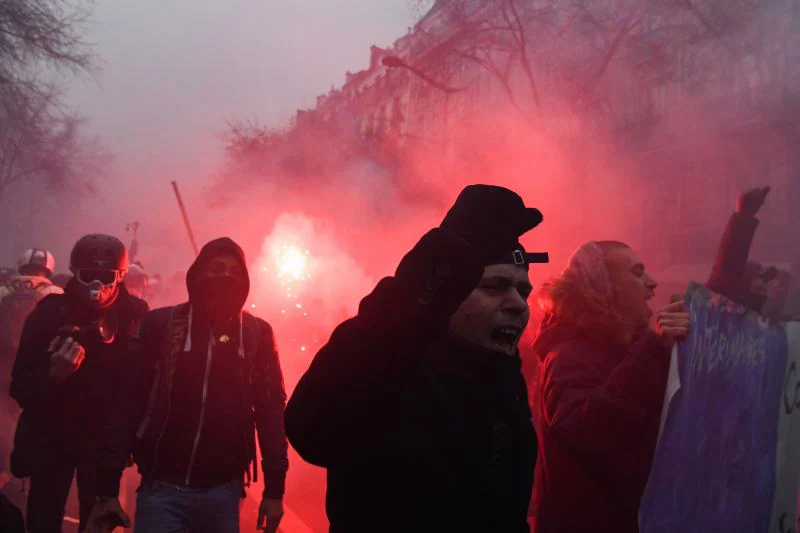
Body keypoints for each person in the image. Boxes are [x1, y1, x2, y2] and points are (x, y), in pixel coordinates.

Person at [285, 184, 548, 532]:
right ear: (448, 294)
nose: (517, 302)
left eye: (523, 290)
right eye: (495, 287)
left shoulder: (503, 375)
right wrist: (406, 302)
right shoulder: (394, 362)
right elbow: (313, 431)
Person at [86, 237, 288, 533]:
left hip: (224, 491)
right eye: (217, 268)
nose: (225, 277)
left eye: (234, 272)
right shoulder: (160, 325)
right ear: (198, 274)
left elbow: (271, 414)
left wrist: (275, 490)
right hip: (161, 489)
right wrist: (106, 489)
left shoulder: (256, 334)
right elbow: (128, 406)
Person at [530, 240, 691, 532]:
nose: (653, 284)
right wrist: (653, 351)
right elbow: (586, 429)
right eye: (637, 273)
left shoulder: (622, 351)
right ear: (603, 290)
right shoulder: (566, 358)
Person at [9, 234, 148, 532]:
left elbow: (147, 386)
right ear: (74, 272)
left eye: (106, 276)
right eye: (88, 275)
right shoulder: (49, 313)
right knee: (43, 518)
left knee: (97, 521)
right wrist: (53, 375)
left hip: (105, 442)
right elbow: (19, 387)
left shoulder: (136, 316)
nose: (96, 286)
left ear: (121, 276)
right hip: (53, 436)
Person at [707, 185, 786, 316]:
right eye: (758, 273)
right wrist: (743, 217)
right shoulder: (726, 300)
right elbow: (731, 257)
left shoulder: (765, 325)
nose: (764, 284)